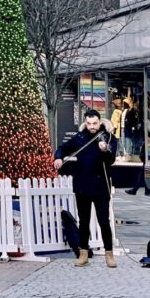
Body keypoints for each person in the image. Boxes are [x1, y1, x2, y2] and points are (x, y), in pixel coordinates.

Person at [53, 109, 118, 268]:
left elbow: (110, 160)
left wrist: (105, 150)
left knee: (104, 221)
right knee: (84, 221)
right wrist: (58, 157)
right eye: (89, 123)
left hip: (101, 186)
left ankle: (109, 254)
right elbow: (63, 147)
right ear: (85, 123)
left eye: (95, 123)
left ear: (100, 122)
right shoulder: (80, 137)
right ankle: (83, 254)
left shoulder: (108, 137)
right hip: (82, 185)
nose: (92, 127)